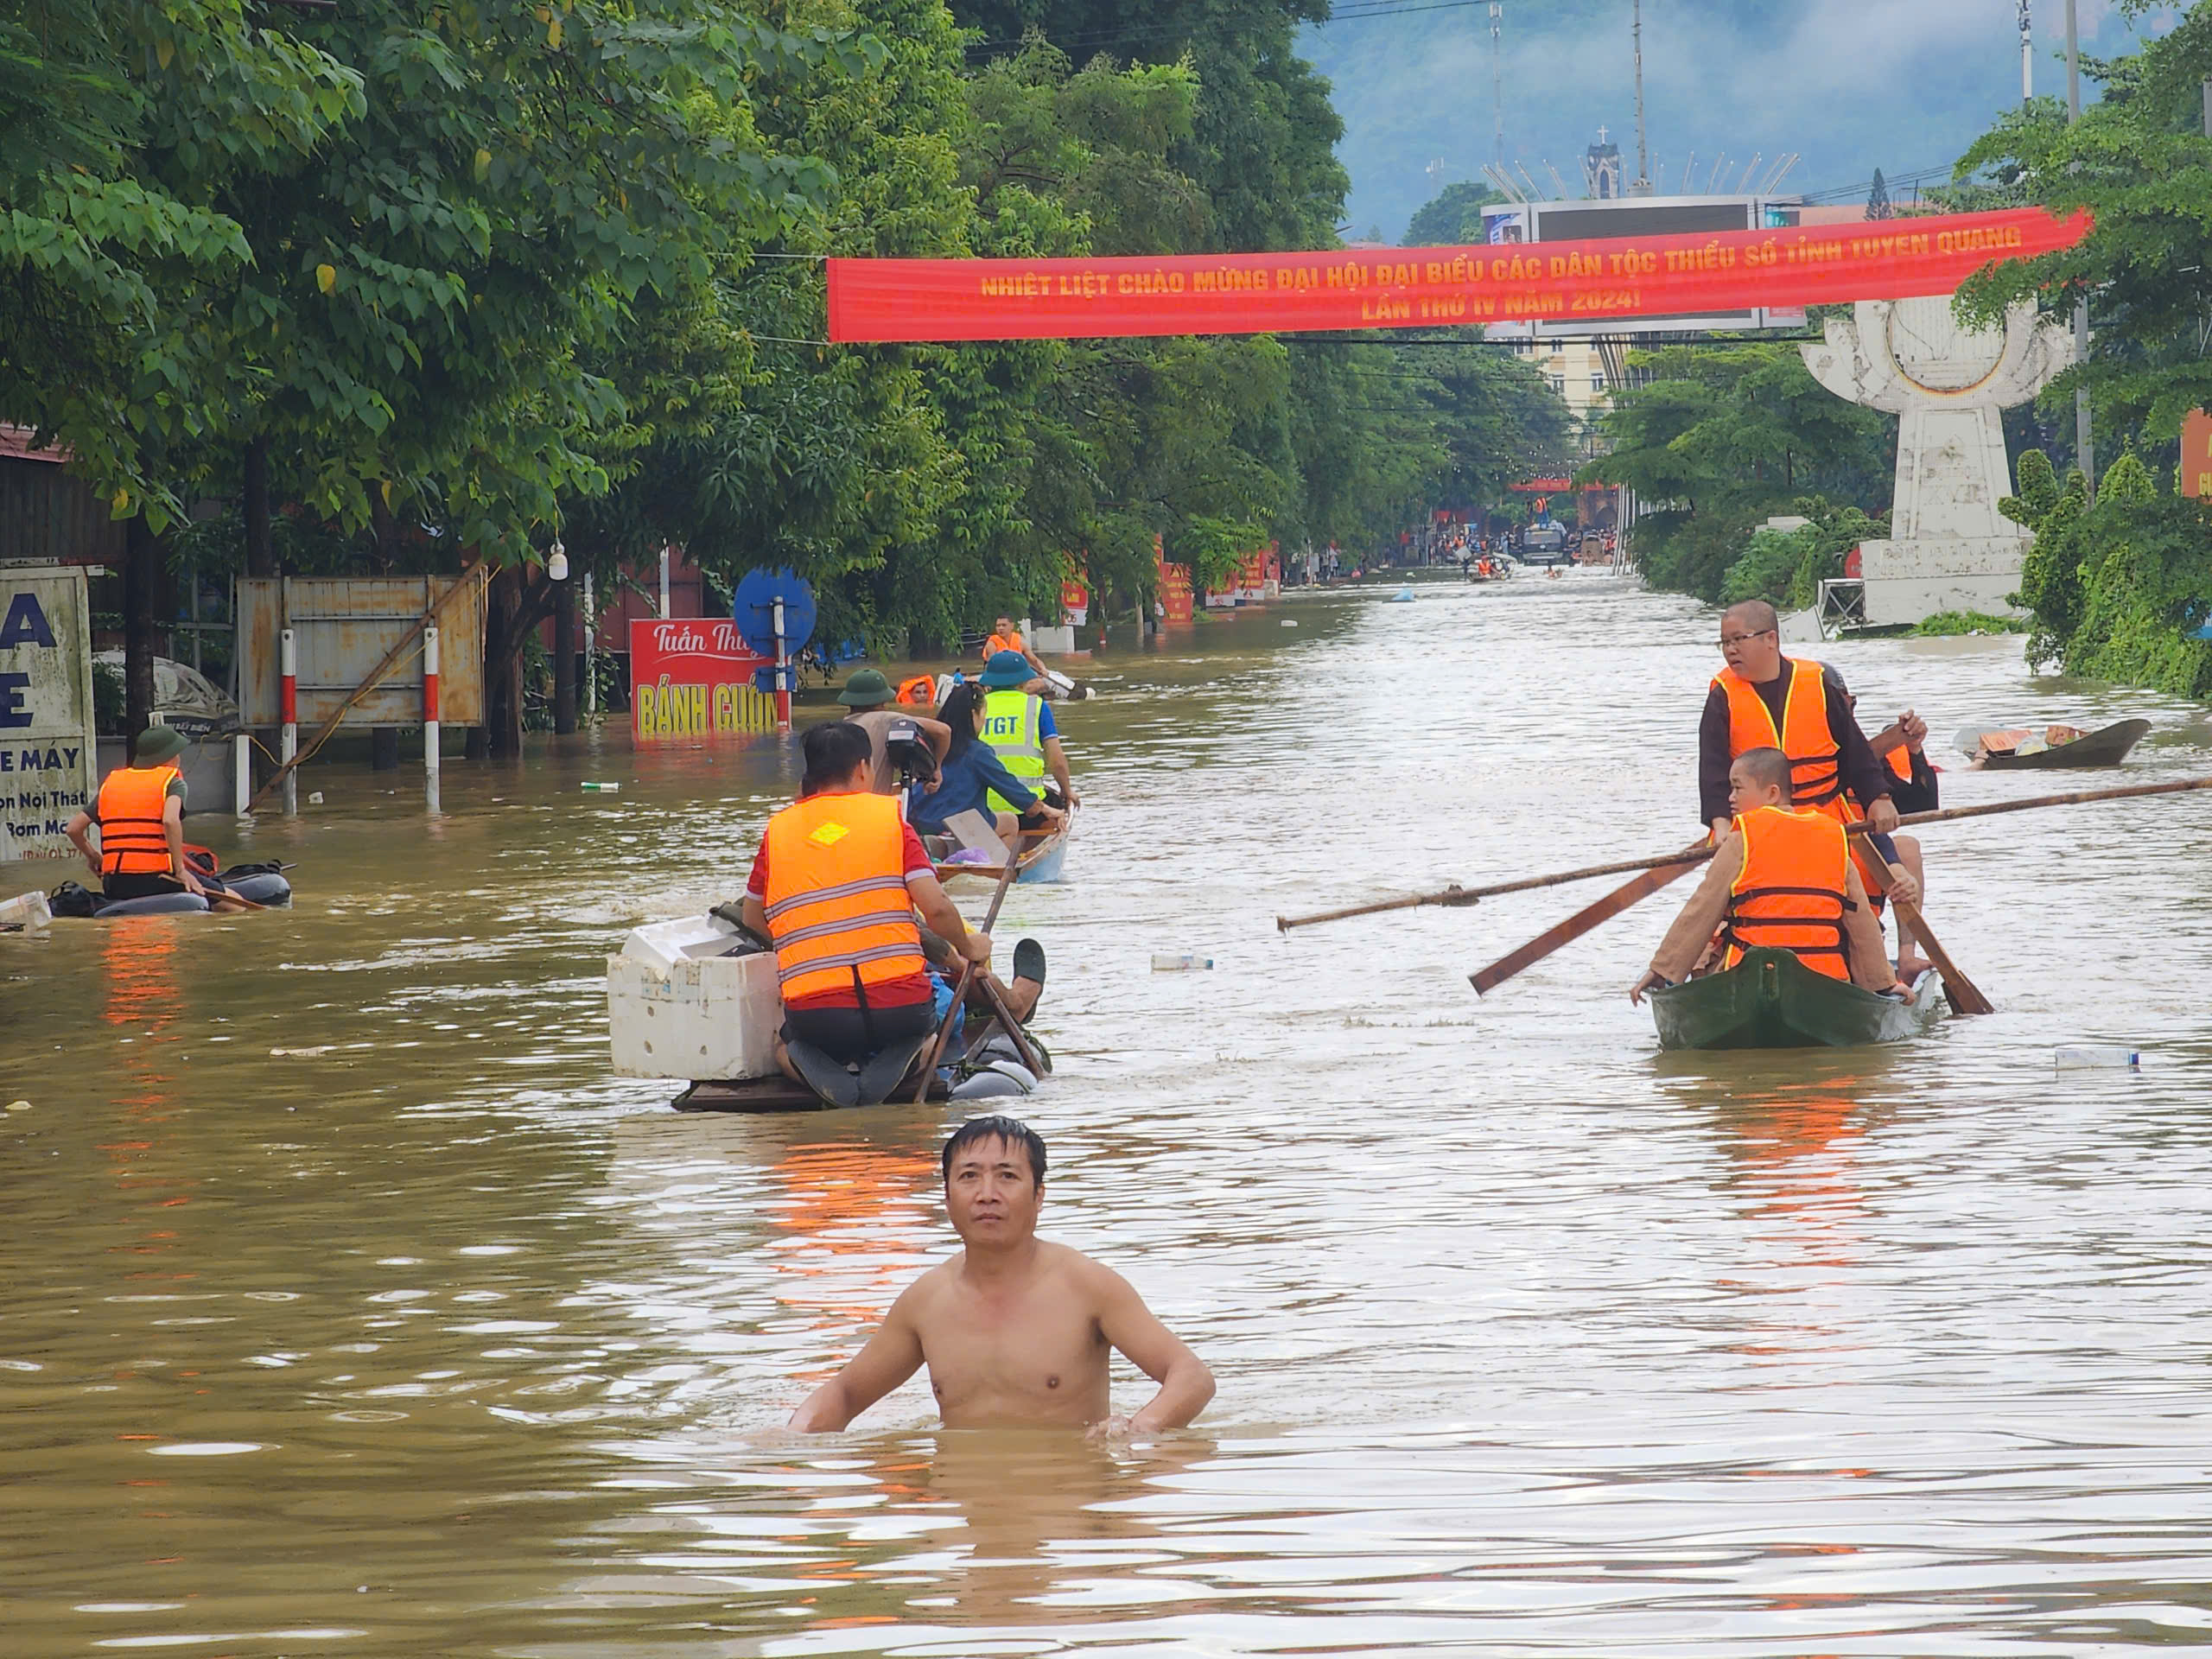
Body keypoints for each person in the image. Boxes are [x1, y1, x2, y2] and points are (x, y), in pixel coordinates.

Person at [788, 1116, 1216, 1435]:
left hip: (1069, 1510)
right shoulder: (926, 1301)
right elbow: (845, 1394)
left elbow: (1191, 1377)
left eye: (1007, 1177)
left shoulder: (1088, 1287)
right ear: (948, 1197)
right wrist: (792, 1440)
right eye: (969, 1177)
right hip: (968, 1511)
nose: (986, 1194)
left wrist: (1140, 1429)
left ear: (1039, 1196)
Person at [740, 722, 990, 1103]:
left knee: (782, 1045)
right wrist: (969, 946)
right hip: (899, 1007)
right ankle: (916, 1051)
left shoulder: (777, 832)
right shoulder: (891, 821)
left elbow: (751, 918)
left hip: (817, 1014)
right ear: (861, 769)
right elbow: (936, 908)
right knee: (932, 1033)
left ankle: (802, 1063)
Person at [1632, 748, 1916, 1005]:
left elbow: (1701, 910)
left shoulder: (1742, 837)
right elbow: (1860, 920)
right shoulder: (1834, 835)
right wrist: (1882, 985)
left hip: (1748, 978)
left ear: (1771, 793)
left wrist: (1662, 972)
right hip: (1826, 979)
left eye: (1737, 788)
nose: (1730, 798)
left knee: (1712, 947)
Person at [63, 727, 245, 910]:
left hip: (114, 883)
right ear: (169, 757)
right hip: (157, 879)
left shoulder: (111, 785)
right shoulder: (173, 783)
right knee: (237, 906)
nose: (179, 758)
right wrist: (181, 870)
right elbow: (170, 820)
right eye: (177, 753)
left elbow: (73, 829)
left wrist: (93, 856)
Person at [910, 682, 1067, 856]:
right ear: (973, 714)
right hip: (958, 824)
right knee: (1010, 821)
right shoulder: (976, 752)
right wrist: (1044, 809)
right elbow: (1009, 786)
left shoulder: (928, 746)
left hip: (919, 822)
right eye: (983, 715)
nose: (984, 721)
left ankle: (940, 848)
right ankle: (993, 872)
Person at [978, 650, 1079, 810]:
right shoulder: (1037, 706)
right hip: (1029, 806)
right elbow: (1057, 761)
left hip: (983, 807)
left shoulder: (975, 707)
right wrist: (1066, 791)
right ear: (1022, 682)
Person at [836, 668, 950, 796]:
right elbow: (943, 731)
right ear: (883, 700)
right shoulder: (887, 719)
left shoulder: (840, 728)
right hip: (876, 807)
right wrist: (937, 769)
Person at [982, 615, 1049, 688]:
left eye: (1004, 625)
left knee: (1040, 683)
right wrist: (987, 684)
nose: (1000, 628)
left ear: (1012, 626)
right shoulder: (992, 644)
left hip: (1017, 676)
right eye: (998, 626)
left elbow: (1034, 660)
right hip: (1000, 677)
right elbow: (989, 665)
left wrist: (1043, 669)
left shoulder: (1020, 642)